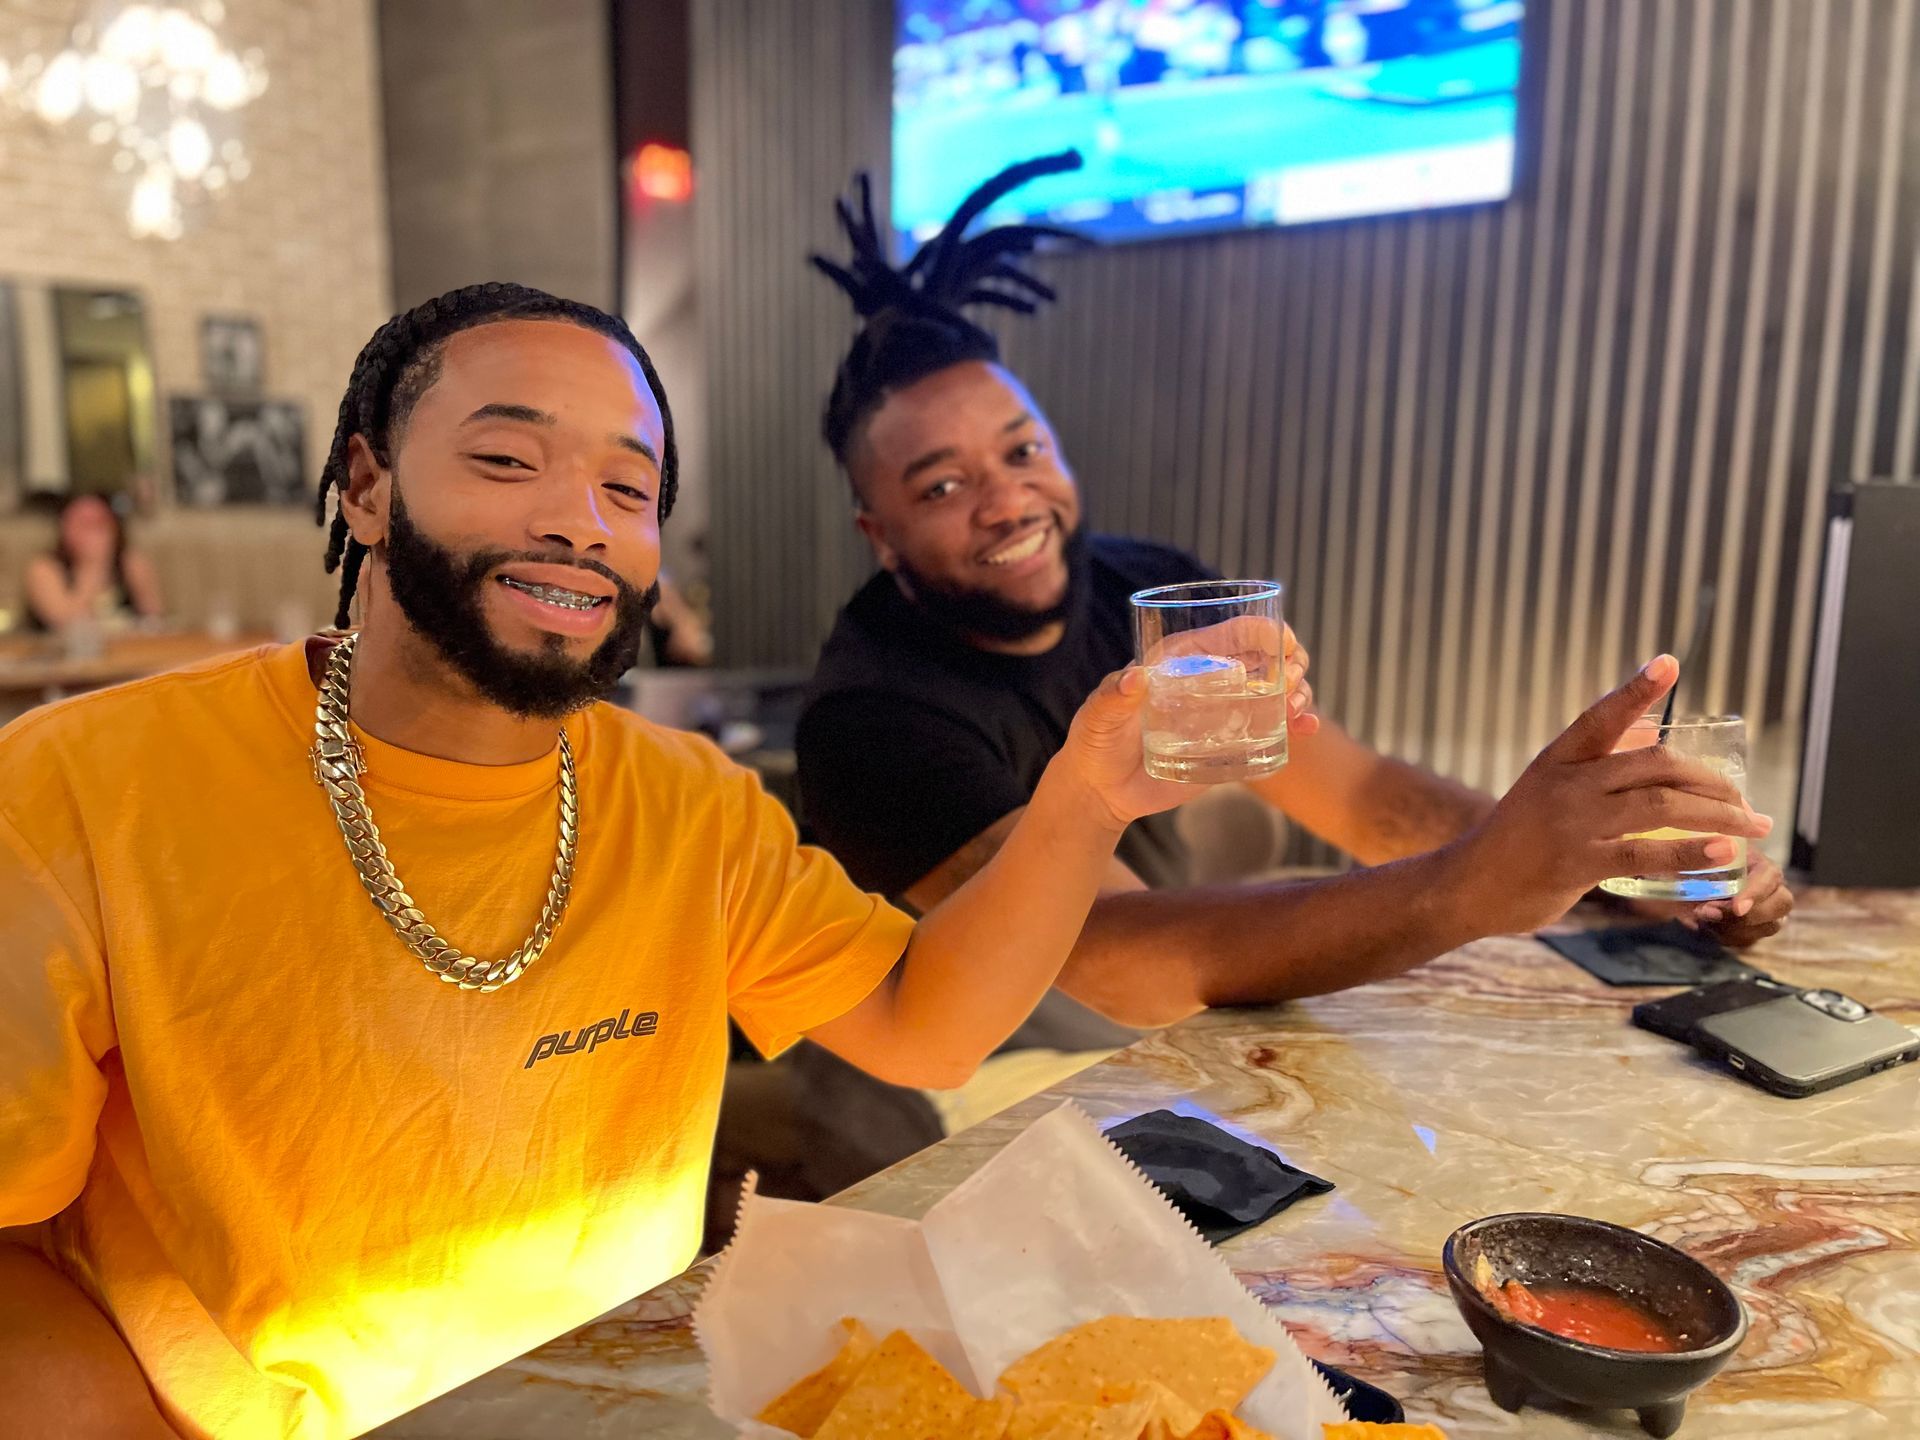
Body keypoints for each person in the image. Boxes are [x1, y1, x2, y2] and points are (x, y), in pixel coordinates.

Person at [0, 282, 1209, 1440]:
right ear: (365, 486)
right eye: (508, 461)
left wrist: (1088, 795)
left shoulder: (689, 806)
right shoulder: (84, 787)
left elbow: (923, 1025)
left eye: (627, 487)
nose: (579, 519)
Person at [796, 151, 1790, 1051]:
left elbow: (1363, 799)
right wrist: (1478, 888)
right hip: (970, 1106)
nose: (1008, 500)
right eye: (941, 486)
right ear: (879, 537)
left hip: (1169, 1057)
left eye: (1022, 451)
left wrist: (1607, 874)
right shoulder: (874, 718)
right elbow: (1118, 962)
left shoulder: (1146, 593)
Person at [22, 493, 164, 632]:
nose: (93, 533)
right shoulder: (44, 568)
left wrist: (138, 577)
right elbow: (64, 621)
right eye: (83, 523)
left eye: (99, 523)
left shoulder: (130, 562)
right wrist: (93, 567)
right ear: (65, 528)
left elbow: (155, 618)